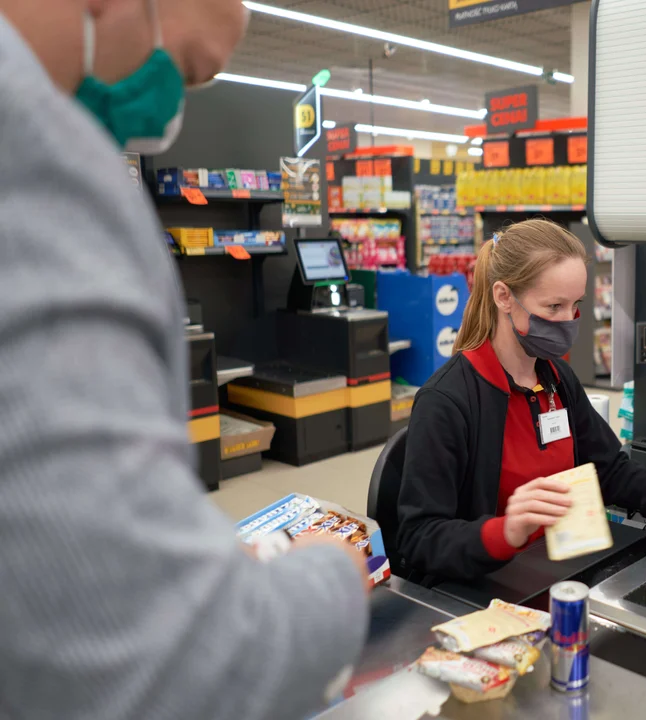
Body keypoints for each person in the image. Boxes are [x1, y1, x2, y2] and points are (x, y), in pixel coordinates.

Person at [0, 1, 370, 719]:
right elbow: (165, 665)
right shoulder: (41, 165)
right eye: (186, 70)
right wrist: (329, 577)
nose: (168, 107)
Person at [397, 219, 646, 583]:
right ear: (503, 296)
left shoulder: (555, 378)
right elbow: (419, 539)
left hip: (562, 572)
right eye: (553, 306)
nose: (567, 321)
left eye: (575, 305)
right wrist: (507, 530)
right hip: (489, 588)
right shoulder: (447, 401)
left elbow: (608, 470)